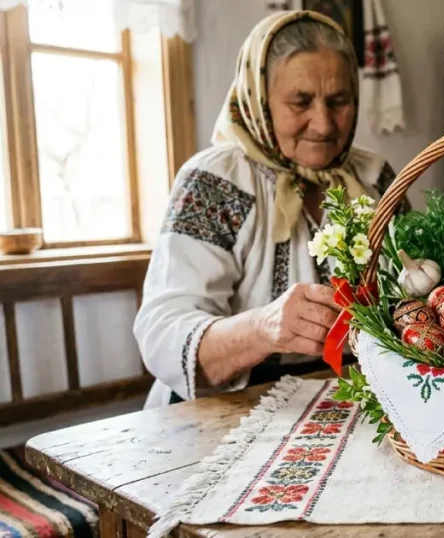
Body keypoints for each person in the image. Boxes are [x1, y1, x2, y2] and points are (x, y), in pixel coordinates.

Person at [134, 11, 405, 409]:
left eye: (339, 101)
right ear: (260, 99)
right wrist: (264, 328)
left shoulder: (374, 176)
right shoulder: (215, 181)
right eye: (301, 101)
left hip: (350, 396)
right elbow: (163, 336)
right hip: (226, 407)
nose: (324, 124)